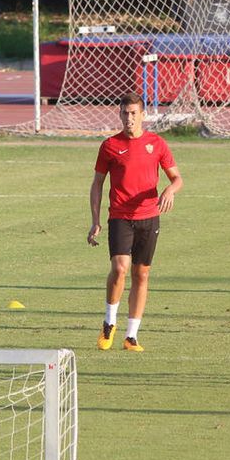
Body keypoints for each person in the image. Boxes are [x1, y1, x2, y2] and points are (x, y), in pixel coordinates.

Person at [88, 94, 183, 351]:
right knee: (120, 268)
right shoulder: (110, 145)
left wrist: (169, 191)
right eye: (124, 113)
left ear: (142, 115)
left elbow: (177, 178)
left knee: (141, 274)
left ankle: (131, 336)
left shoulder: (157, 144)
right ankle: (109, 322)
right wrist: (95, 220)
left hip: (149, 217)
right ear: (119, 115)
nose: (128, 118)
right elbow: (97, 184)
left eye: (133, 113)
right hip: (120, 216)